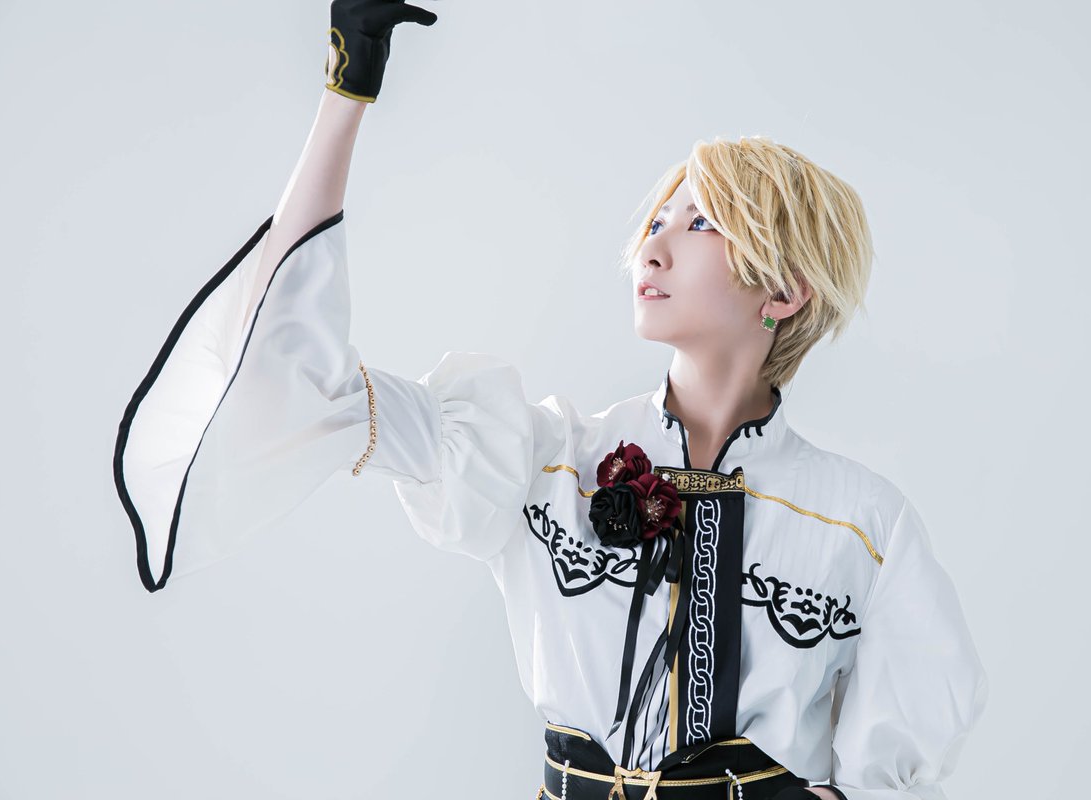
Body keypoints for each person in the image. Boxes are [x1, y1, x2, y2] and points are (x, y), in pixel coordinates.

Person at [112, 2, 989, 798]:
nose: (653, 250)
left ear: (785, 292)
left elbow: (901, 755)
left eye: (700, 224)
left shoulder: (862, 525)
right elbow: (293, 377)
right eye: (655, 223)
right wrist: (348, 93)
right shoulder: (535, 455)